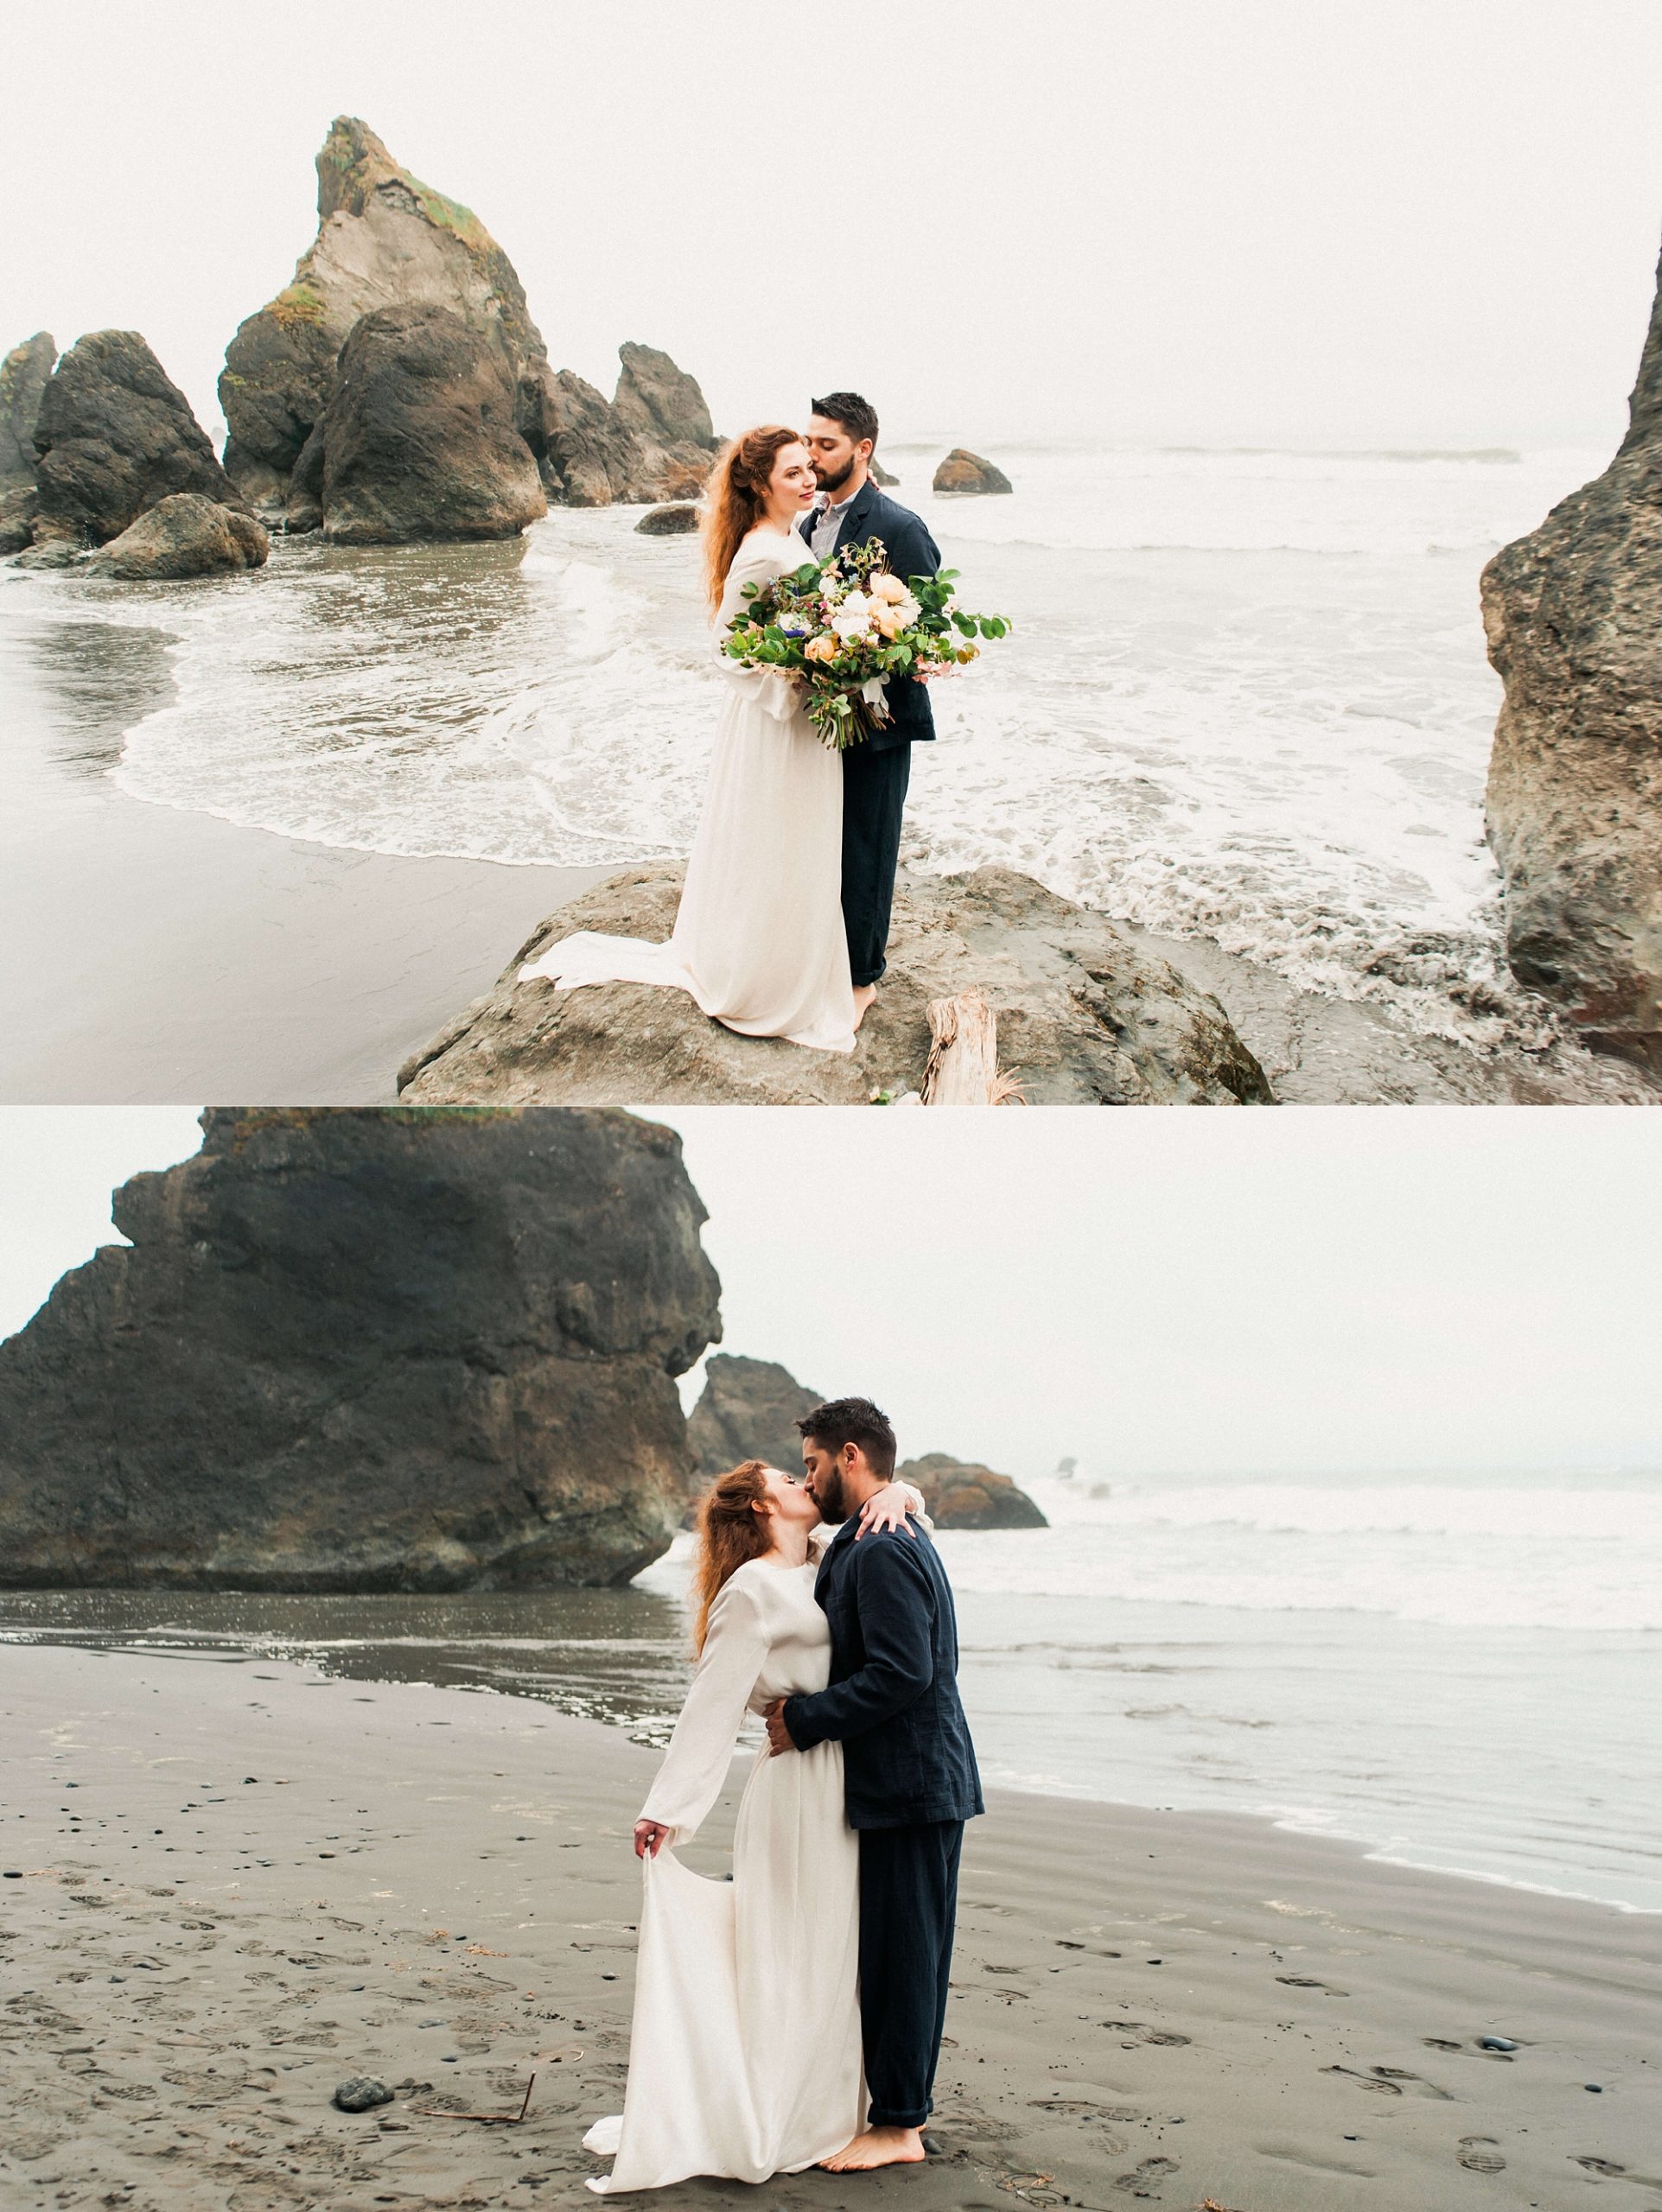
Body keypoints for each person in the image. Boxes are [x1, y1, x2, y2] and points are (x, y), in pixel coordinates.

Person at [581, 1458, 927, 2192]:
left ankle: (832, 2107)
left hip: (848, 1780)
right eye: (786, 1479)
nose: (805, 1483)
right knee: (792, 1950)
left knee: (836, 1953)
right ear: (760, 1508)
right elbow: (712, 1701)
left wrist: (901, 1489)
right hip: (797, 1786)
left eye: (805, 1472)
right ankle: (777, 2109)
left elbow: (900, 1524)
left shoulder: (829, 1563)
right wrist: (667, 1808)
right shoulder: (751, 1588)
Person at [517, 428, 858, 1052]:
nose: (809, 480)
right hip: (774, 726)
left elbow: (789, 628)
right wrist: (798, 682)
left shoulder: (789, 537)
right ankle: (760, 980)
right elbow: (727, 649)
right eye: (792, 474)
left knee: (797, 842)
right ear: (759, 486)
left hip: (801, 724)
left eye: (809, 468)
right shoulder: (761, 550)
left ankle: (789, 967)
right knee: (775, 842)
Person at [765, 1396, 983, 2172]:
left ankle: (899, 2126)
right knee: (895, 1952)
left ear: (850, 1456)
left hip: (914, 1782)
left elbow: (902, 1672)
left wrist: (808, 1718)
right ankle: (890, 2109)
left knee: (905, 1955)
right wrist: (906, 1489)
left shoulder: (884, 1546)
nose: (809, 1478)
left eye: (815, 1464)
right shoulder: (872, 1531)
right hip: (902, 1781)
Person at [799, 395, 943, 1025]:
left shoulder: (899, 525)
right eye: (808, 442)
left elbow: (929, 624)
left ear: (863, 449)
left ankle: (861, 979)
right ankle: (820, 957)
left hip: (879, 720)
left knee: (866, 844)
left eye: (825, 444)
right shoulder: (807, 524)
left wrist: (869, 645)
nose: (811, 456)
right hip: (822, 713)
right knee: (821, 841)